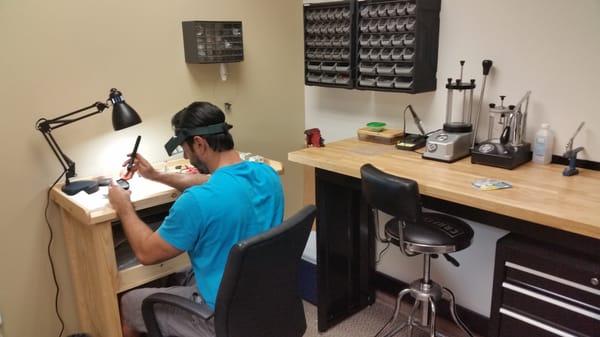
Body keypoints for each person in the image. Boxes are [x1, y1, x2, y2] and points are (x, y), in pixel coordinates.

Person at [108, 102, 284, 337]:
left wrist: (124, 207)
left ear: (199, 143)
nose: (188, 157)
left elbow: (146, 253)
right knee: (176, 275)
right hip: (263, 298)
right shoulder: (267, 174)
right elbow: (213, 182)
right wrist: (156, 175)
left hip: (219, 318)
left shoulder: (196, 202)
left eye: (185, 150)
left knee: (128, 302)